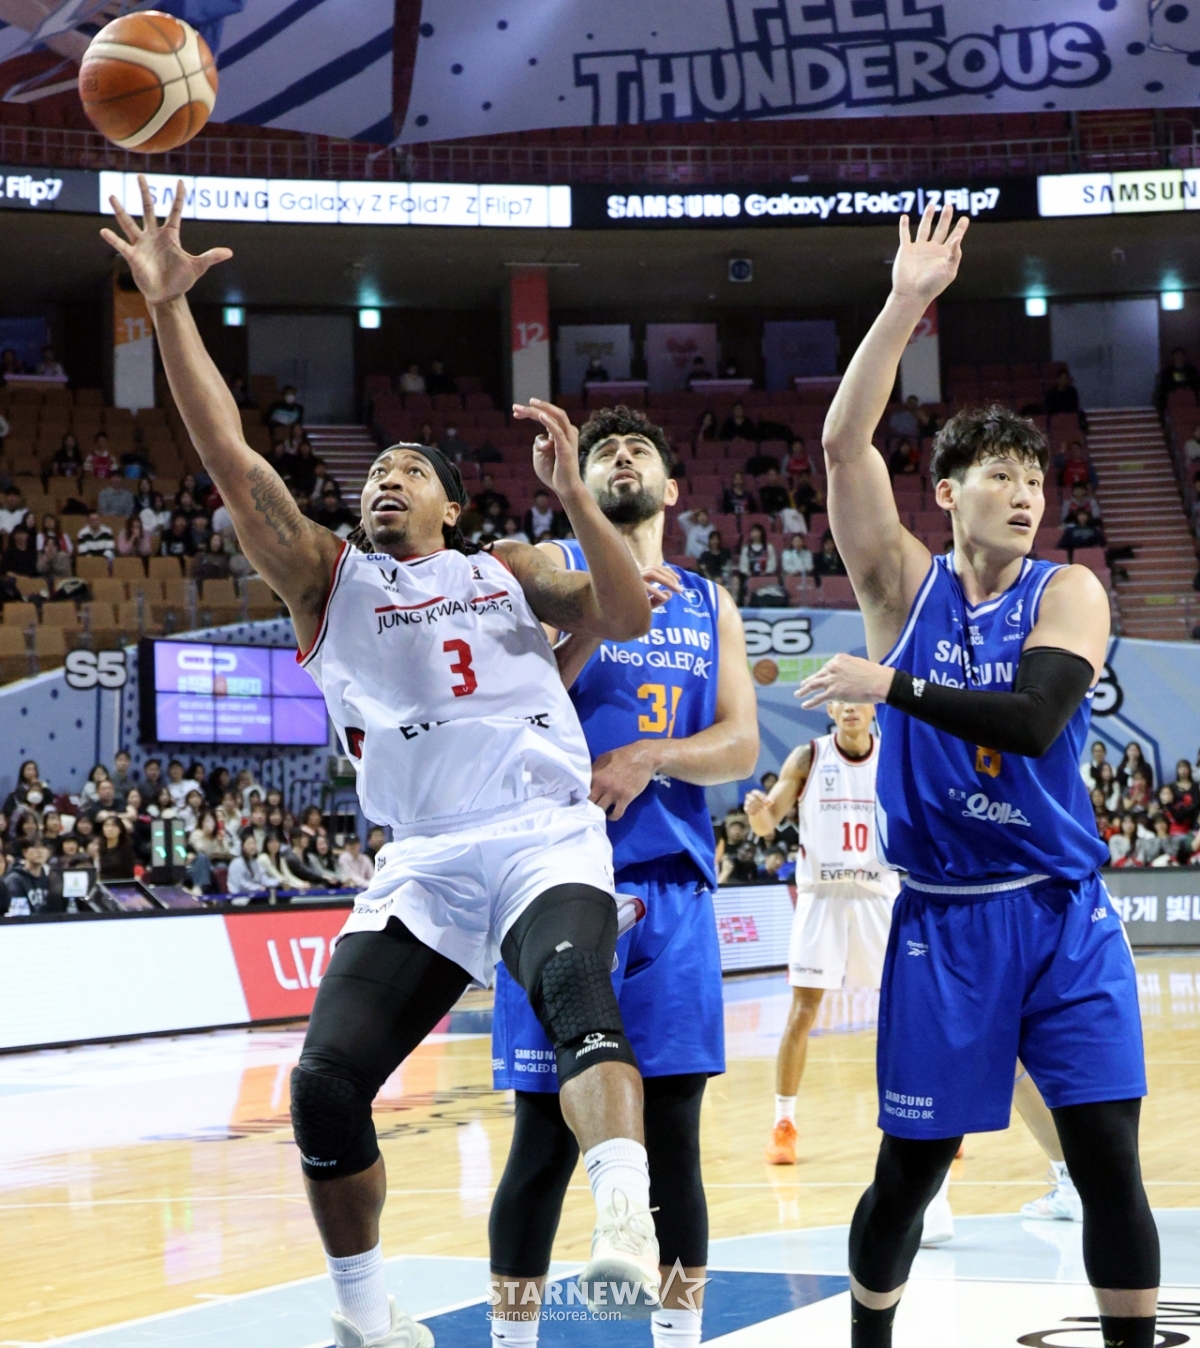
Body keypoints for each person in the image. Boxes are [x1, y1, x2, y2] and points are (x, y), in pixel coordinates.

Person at [104, 175, 672, 1343]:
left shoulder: (509, 567)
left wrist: (577, 501)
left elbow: (622, 615)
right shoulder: (329, 581)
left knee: (576, 994)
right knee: (322, 1083)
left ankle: (625, 1221)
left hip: (542, 834)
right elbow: (231, 459)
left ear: (454, 508)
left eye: (410, 470)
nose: (384, 478)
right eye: (376, 471)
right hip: (423, 862)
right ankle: (368, 1318)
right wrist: (166, 307)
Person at [797, 202, 1157, 1347]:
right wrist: (906, 302)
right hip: (943, 916)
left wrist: (892, 686)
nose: (1027, 492)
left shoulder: (1070, 591)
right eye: (1001, 474)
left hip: (1060, 910)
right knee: (908, 1172)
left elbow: (1040, 720)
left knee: (1108, 1161)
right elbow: (844, 447)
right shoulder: (904, 590)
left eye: (1036, 477)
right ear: (947, 492)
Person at [490, 402, 758, 1348]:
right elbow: (509, 709)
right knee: (541, 1142)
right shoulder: (542, 575)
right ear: (579, 480)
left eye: (640, 449)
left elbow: (741, 745)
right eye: (604, 451)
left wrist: (653, 755)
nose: (622, 458)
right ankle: (511, 1339)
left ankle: (678, 1339)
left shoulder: (711, 602)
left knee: (676, 1140)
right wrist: (606, 614)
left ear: (671, 489)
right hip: (555, 885)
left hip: (672, 892)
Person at [1, 839, 61, 917]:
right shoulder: (14, 879)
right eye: (35, 847)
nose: (39, 852)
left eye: (43, 847)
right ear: (25, 852)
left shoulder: (52, 877)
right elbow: (16, 912)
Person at [1155, 346, 1200, 416]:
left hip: (1188, 394)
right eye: (1176, 355)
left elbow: (1195, 382)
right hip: (1172, 393)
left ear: (1184, 357)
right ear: (1173, 357)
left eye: (1180, 355)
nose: (1179, 357)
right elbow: (1164, 384)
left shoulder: (1191, 370)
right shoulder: (1168, 371)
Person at [97, 816, 137, 881]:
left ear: (120, 830)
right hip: (102, 884)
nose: (109, 829)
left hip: (120, 884)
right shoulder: (99, 848)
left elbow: (129, 874)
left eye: (113, 826)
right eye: (106, 825)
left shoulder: (126, 850)